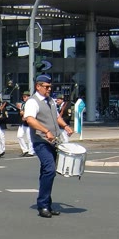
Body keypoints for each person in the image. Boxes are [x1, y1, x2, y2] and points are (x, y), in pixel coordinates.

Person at [22, 74, 74, 218]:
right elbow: (30, 120)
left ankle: (47, 204)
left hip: (54, 141)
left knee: (47, 172)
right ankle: (43, 205)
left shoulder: (50, 100)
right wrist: (46, 131)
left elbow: (56, 117)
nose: (49, 89)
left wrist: (65, 126)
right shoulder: (32, 102)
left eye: (50, 86)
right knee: (49, 170)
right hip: (41, 141)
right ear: (38, 86)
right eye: (46, 87)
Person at [16, 91, 35, 157]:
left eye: (25, 96)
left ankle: (31, 151)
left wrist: (24, 114)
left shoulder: (31, 104)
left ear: (29, 97)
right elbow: (20, 113)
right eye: (23, 96)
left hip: (28, 123)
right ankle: (25, 150)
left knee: (29, 138)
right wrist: (20, 111)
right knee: (19, 136)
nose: (24, 98)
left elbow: (32, 113)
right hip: (22, 123)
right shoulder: (23, 104)